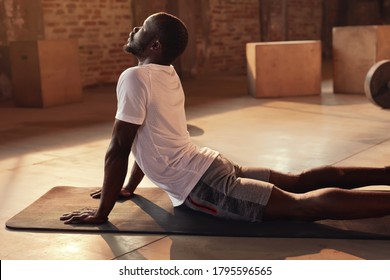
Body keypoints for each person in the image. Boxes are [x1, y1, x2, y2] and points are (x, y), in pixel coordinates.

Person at [60, 12, 390, 225]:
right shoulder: (166, 73)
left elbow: (119, 148)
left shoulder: (134, 78)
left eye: (142, 28)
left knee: (302, 206)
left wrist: (101, 214)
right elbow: (150, 140)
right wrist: (129, 187)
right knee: (300, 179)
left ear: (155, 45)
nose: (134, 29)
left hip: (203, 185)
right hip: (212, 164)